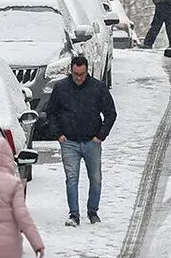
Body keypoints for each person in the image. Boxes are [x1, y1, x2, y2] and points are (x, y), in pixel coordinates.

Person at [44, 55, 117, 227]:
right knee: (72, 179)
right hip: (69, 141)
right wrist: (58, 134)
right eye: (76, 74)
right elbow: (51, 113)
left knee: (96, 179)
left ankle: (93, 212)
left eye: (82, 74)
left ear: (87, 71)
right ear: (71, 70)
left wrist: (100, 136)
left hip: (92, 141)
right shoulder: (61, 88)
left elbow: (110, 113)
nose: (79, 78)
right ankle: (74, 214)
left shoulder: (98, 88)